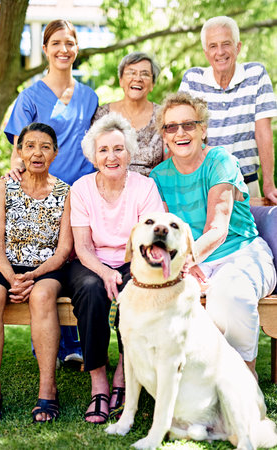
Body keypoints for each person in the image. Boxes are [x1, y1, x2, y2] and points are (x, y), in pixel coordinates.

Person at [149, 92, 276, 380]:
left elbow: (217, 230)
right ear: (164, 136)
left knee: (228, 293)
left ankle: (244, 378)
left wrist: (186, 260)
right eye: (171, 127)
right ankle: (194, 386)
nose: (180, 132)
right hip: (194, 261)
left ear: (203, 129)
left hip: (241, 253)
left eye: (189, 125)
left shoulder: (220, 161)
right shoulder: (158, 177)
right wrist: (185, 267)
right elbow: (167, 233)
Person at [4, 19, 98, 363]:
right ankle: (47, 342)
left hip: (81, 194)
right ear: (45, 48)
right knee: (44, 259)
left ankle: (73, 345)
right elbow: (20, 147)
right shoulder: (30, 96)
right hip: (40, 194)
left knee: (74, 261)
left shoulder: (90, 96)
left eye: (69, 43)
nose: (63, 49)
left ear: (76, 48)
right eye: (56, 43)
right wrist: (18, 163)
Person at [66, 113, 164, 423]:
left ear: (129, 152)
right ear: (93, 155)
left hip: (133, 259)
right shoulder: (81, 189)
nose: (112, 156)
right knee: (92, 290)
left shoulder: (144, 187)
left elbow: (148, 241)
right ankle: (98, 383)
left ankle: (122, 374)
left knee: (132, 289)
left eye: (118, 149)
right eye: (104, 150)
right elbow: (81, 247)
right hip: (91, 261)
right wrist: (105, 271)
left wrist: (124, 272)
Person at [0, 123, 72, 425]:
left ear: (55, 153)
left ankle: (48, 390)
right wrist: (12, 277)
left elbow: (63, 252)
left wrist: (32, 276)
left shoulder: (66, 193)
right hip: (4, 264)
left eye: (45, 146)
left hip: (47, 267)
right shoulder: (2, 188)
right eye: (29, 146)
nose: (37, 152)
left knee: (43, 295)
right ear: (19, 152)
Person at [179, 16, 277, 203]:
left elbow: (263, 132)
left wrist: (269, 184)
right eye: (213, 46)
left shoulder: (256, 75)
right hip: (203, 185)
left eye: (226, 44)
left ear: (237, 47)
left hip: (247, 183)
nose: (220, 52)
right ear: (206, 52)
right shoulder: (193, 79)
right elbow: (182, 133)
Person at [93, 52, 167, 176]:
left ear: (152, 84)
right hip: (108, 186)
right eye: (131, 73)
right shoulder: (102, 115)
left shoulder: (163, 115)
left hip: (151, 189)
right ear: (121, 80)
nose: (137, 78)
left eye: (145, 74)